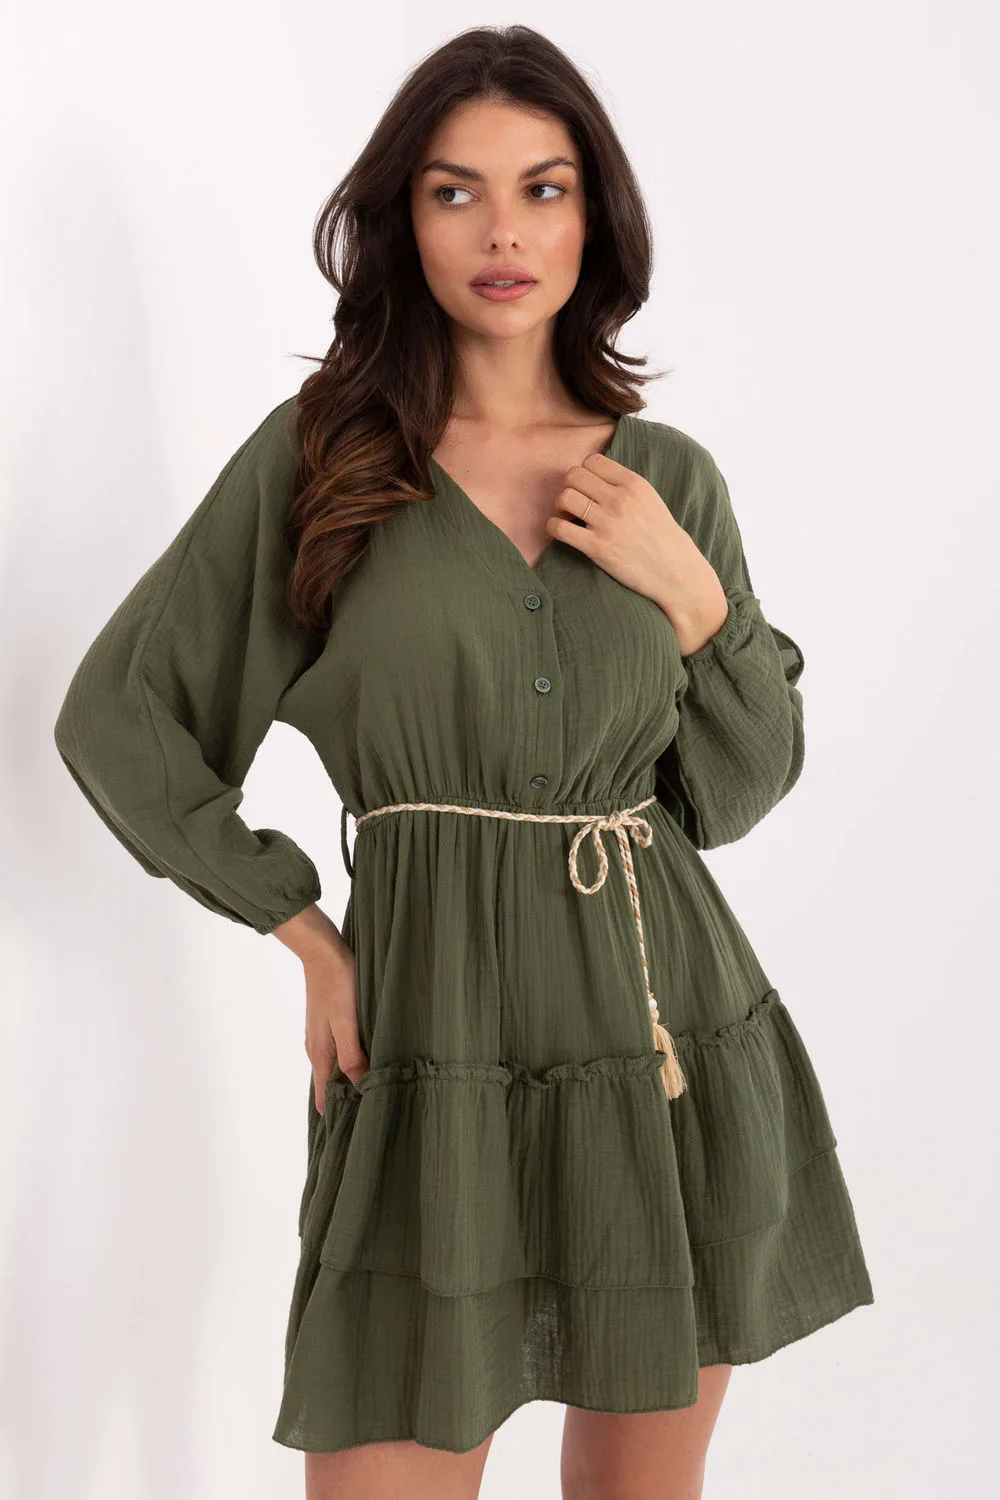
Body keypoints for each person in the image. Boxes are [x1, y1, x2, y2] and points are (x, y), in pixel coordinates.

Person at [52, 24, 874, 1500]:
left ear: (594, 218)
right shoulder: (325, 463)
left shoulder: (665, 478)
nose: (504, 231)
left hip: (662, 1042)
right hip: (430, 1050)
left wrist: (698, 604)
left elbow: (737, 791)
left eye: (543, 189)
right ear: (402, 222)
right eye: (456, 191)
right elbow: (120, 716)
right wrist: (305, 933)